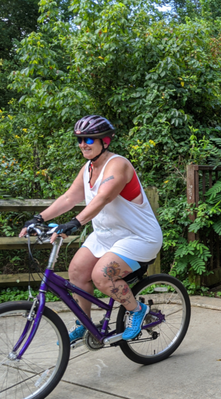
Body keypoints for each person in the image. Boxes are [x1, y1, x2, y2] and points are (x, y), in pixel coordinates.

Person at [19, 115, 163, 342]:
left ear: (104, 140)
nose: (83, 144)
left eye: (89, 139)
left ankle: (136, 310)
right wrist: (38, 217)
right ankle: (84, 324)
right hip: (107, 235)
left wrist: (74, 223)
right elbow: (68, 198)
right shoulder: (88, 169)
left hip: (138, 236)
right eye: (80, 139)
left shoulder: (118, 165)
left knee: (102, 276)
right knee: (76, 272)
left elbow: (103, 198)